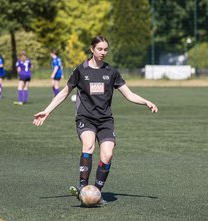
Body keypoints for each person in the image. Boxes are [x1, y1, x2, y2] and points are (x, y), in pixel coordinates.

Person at [33, 36, 158, 205]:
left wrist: (146, 102)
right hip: (85, 118)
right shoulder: (81, 70)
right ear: (92, 49)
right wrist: (47, 111)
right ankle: (82, 187)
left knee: (107, 155)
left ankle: (97, 192)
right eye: (100, 49)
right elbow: (64, 92)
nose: (103, 52)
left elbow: (129, 94)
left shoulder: (111, 72)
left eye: (106, 49)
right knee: (89, 145)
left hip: (105, 120)